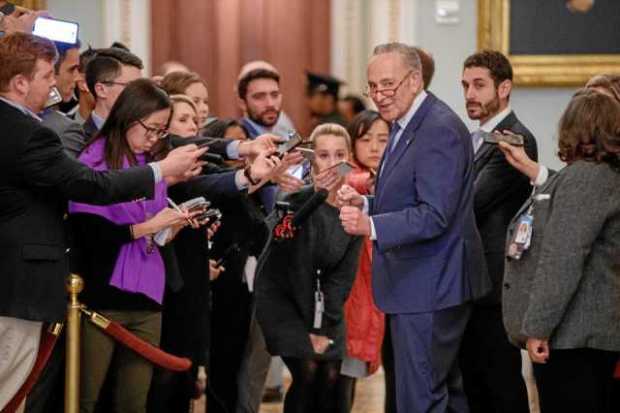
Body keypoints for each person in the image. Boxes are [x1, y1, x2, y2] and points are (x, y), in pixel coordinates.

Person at [0, 32, 204, 413]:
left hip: (32, 285)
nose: (57, 85)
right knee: (18, 391)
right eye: (49, 76)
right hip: (21, 285)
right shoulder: (27, 133)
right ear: (20, 82)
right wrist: (161, 171)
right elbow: (87, 187)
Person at [337, 42, 490, 413]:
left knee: (419, 400)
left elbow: (435, 215)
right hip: (419, 285)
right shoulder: (406, 124)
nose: (379, 95)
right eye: (372, 87)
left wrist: (369, 224)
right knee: (441, 397)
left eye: (388, 84)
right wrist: (367, 203)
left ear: (416, 79)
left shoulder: (437, 128)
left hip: (431, 286)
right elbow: (407, 197)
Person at [69, 78, 204, 413]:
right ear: (129, 117)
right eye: (152, 128)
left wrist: (171, 226)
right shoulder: (94, 160)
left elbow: (153, 231)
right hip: (103, 293)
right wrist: (150, 226)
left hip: (147, 289)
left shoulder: (147, 163)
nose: (155, 138)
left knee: (134, 400)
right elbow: (89, 234)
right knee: (87, 397)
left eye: (161, 131)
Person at [503, 88, 620, 413]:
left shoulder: (584, 179)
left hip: (574, 337)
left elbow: (562, 259)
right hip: (590, 334)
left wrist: (538, 328)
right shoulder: (603, 176)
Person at [256, 123, 363, 413]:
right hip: (282, 300)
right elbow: (290, 265)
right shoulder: (291, 201)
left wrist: (323, 325)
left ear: (349, 158)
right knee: (308, 371)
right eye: (324, 155)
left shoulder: (354, 209)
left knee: (331, 376)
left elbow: (342, 279)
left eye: (339, 154)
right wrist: (310, 332)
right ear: (311, 159)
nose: (331, 163)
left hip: (324, 306)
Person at [458, 50, 536, 413]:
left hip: (496, 283)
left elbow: (470, 202)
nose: (470, 94)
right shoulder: (476, 138)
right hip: (473, 280)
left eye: (479, 85)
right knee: (475, 382)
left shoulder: (516, 139)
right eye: (465, 86)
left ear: (504, 88)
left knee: (500, 385)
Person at [338, 110, 388, 412]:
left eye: (383, 139)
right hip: (349, 296)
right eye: (366, 139)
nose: (374, 147)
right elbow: (354, 181)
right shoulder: (354, 180)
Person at [61, 46, 144, 156]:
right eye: (131, 86)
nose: (139, 94)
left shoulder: (147, 135)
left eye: (141, 87)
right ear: (101, 90)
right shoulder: (77, 139)